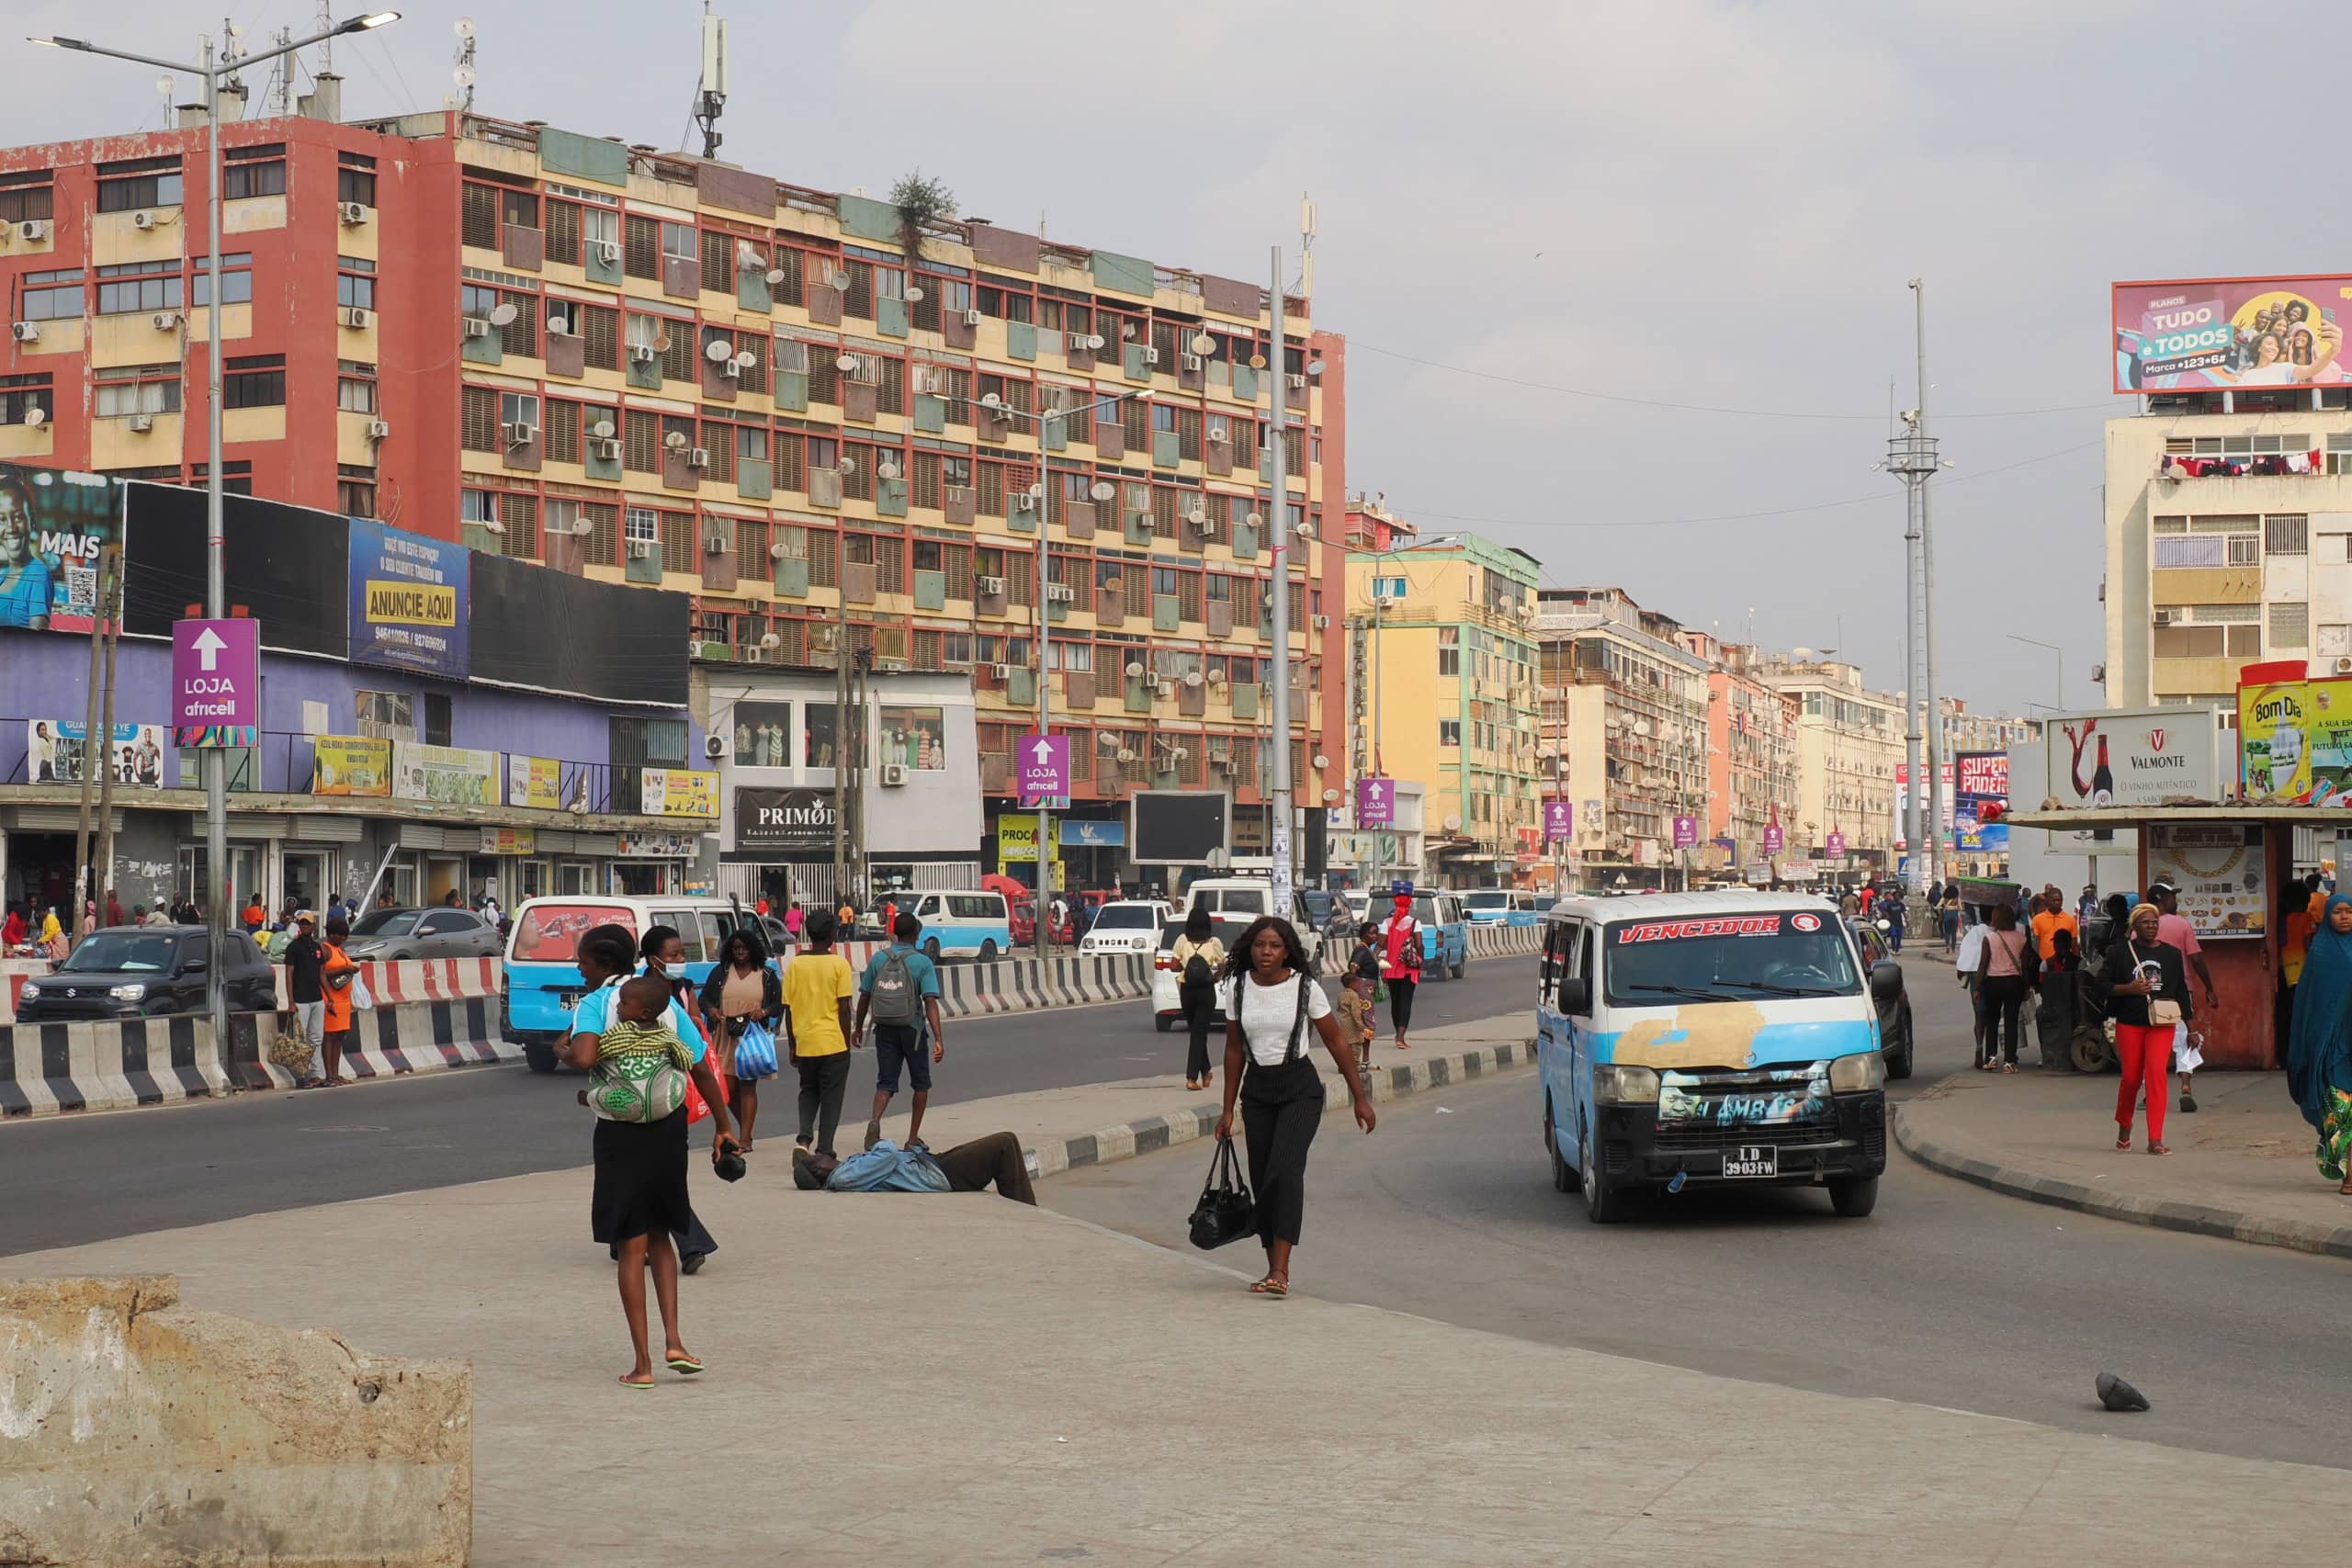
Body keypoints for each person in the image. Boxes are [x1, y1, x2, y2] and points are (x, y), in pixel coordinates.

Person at [556, 926, 739, 1390]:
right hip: (668, 1132)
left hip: (622, 1138)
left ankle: (642, 1364)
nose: (580, 968)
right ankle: (675, 1341)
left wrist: (563, 1047)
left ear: (601, 963)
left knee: (630, 1246)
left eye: (583, 961)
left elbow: (584, 1056)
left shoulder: (598, 1004)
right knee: (661, 1238)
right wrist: (722, 1124)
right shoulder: (663, 1000)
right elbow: (699, 1065)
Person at [1213, 916, 1376, 1297]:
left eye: (1273, 946)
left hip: (1299, 1090)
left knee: (1284, 1171)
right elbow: (1234, 1050)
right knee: (1261, 1177)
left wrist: (1360, 1098)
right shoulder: (1237, 989)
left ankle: (1281, 1272)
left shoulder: (1306, 988)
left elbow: (1336, 1042)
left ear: (1287, 950)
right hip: (1257, 1092)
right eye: (1259, 945)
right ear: (1249, 949)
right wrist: (1227, 1108)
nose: (1265, 952)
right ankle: (1272, 1266)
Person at [639, 926, 722, 1273]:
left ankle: (679, 1242)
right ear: (653, 959)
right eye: (672, 956)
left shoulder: (681, 990)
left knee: (655, 1176)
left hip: (672, 1092)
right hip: (645, 1095)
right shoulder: (638, 994)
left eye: (681, 955)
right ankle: (689, 1243)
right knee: (656, 1176)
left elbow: (698, 1056)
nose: (678, 962)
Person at [2095, 903, 2192, 1156]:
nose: (2151, 927)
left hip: (2162, 1022)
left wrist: (2190, 1026)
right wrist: (2129, 989)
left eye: (2154, 922)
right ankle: (2124, 1127)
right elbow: (2102, 984)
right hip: (2130, 1020)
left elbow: (2181, 990)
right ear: (2134, 926)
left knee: (2156, 1073)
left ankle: (2155, 1139)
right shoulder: (2119, 952)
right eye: (2146, 923)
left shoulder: (2171, 954)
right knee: (2131, 1079)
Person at [854, 911, 945, 1149]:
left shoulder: (878, 959)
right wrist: (938, 1038)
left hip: (884, 1028)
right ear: (916, 933)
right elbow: (930, 1001)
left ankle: (875, 1122)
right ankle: (913, 1137)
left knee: (885, 1083)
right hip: (912, 1031)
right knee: (921, 1084)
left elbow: (864, 996)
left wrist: (858, 1028)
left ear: (894, 932)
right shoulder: (922, 962)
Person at [2287, 893, 2352, 1191]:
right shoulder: (2320, 953)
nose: (2345, 917)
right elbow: (2309, 1003)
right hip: (2329, 1045)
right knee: (2339, 1109)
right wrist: (2311, 1043)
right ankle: (2348, 1173)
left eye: (2349, 912)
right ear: (2327, 916)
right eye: (2338, 912)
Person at [698, 928, 782, 1153]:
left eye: (744, 948)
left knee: (747, 1087)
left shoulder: (766, 975)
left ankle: (745, 1138)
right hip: (725, 1035)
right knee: (726, 1089)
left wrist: (762, 1013)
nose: (740, 952)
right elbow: (704, 998)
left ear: (753, 949)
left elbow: (777, 1004)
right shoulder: (721, 972)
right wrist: (712, 1010)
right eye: (736, 948)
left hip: (751, 1037)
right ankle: (742, 1129)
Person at [785, 909, 856, 1156]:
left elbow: (789, 1010)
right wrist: (846, 1043)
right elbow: (845, 1009)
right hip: (833, 1042)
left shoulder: (795, 965)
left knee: (808, 1090)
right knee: (831, 1097)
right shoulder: (839, 964)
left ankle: (803, 1140)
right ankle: (825, 1148)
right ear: (833, 934)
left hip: (805, 1042)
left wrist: (793, 1045)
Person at [792, 1132, 1036, 1204]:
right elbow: (886, 1155)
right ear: (819, 1171)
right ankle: (1027, 1210)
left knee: (1009, 1143)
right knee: (1004, 1143)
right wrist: (875, 1143)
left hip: (929, 1163)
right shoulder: (843, 1177)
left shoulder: (845, 1169)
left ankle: (1025, 1206)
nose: (821, 1155)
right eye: (816, 1159)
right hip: (937, 1175)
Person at [2147, 881, 2219, 1114]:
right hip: (2181, 991)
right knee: (2186, 1038)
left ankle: (2150, 1093)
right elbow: (2196, 958)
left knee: (2152, 1041)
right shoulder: (2181, 924)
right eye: (2172, 897)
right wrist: (2209, 987)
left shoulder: (2142, 925)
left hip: (2150, 992)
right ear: (2160, 899)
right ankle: (2186, 1086)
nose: (2175, 901)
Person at [1171, 906, 1226, 1091]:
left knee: (1196, 1033)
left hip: (1187, 991)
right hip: (1206, 991)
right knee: (1199, 1033)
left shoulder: (1182, 941)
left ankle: (1192, 1077)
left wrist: (1187, 966)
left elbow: (1174, 965)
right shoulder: (1214, 942)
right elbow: (1222, 965)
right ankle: (1206, 1071)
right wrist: (1215, 976)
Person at [1973, 902, 2031, 1072]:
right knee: (2011, 1022)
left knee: (1992, 1021)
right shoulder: (2022, 938)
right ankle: (2009, 1062)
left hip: (1993, 983)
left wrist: (1977, 987)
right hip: (2014, 982)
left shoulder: (1990, 938)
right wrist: (2027, 987)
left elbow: (1983, 964)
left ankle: (1991, 1058)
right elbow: (2025, 966)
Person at [0, 470, 53, 630]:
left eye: (18, 517)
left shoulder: (38, 574)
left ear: (32, 521)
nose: (10, 528)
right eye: (1, 519)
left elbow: (36, 642)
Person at [284, 912, 326, 1089]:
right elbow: (289, 974)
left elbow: (322, 974)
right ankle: (303, 1075)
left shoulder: (317, 947)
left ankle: (317, 1074)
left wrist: (328, 997)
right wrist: (291, 1002)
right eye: (302, 923)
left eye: (308, 923)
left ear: (313, 926)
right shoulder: (294, 947)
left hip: (317, 998)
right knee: (301, 1040)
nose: (305, 926)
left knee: (316, 1038)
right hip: (301, 1000)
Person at [1376, 893, 1423, 1050]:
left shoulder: (1386, 922)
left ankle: (1398, 1033)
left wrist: (1374, 960)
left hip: (1390, 968)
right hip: (1409, 968)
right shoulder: (1415, 923)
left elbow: (1380, 943)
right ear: (1409, 906)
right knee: (1406, 1001)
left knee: (1395, 1002)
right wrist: (1420, 961)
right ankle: (1400, 1037)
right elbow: (1419, 944)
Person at [2035, 928, 2084, 1070]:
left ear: (2069, 945)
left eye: (2062, 944)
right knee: (2040, 1013)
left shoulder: (2079, 962)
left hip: (2074, 1003)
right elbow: (2041, 987)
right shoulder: (2046, 964)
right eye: (2057, 943)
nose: (2059, 947)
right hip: (2053, 1003)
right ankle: (2045, 1051)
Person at [319, 918, 357, 1087]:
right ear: (331, 934)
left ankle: (336, 1073)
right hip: (330, 997)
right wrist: (344, 969)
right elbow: (321, 974)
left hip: (344, 999)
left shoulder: (340, 950)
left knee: (340, 1035)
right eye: (339, 936)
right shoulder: (325, 949)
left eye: (344, 936)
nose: (342, 939)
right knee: (330, 1035)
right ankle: (329, 1074)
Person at [1337, 965, 1377, 1079]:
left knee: (1346, 1046)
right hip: (1353, 1024)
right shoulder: (1354, 996)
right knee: (1355, 1045)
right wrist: (1360, 1025)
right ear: (1353, 984)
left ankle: (1342, 1066)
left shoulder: (1341, 995)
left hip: (1343, 1022)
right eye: (1358, 983)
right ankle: (1355, 1065)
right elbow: (1355, 1012)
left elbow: (1338, 1008)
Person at [1881, 886, 1906, 953]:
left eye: (1898, 896)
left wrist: (1907, 921)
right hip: (1892, 923)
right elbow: (1886, 912)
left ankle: (1897, 950)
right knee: (1893, 935)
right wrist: (1887, 918)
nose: (1896, 897)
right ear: (1893, 896)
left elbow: (1904, 913)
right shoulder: (1890, 905)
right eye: (1895, 895)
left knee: (1898, 937)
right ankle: (1893, 949)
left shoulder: (1901, 905)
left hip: (1899, 923)